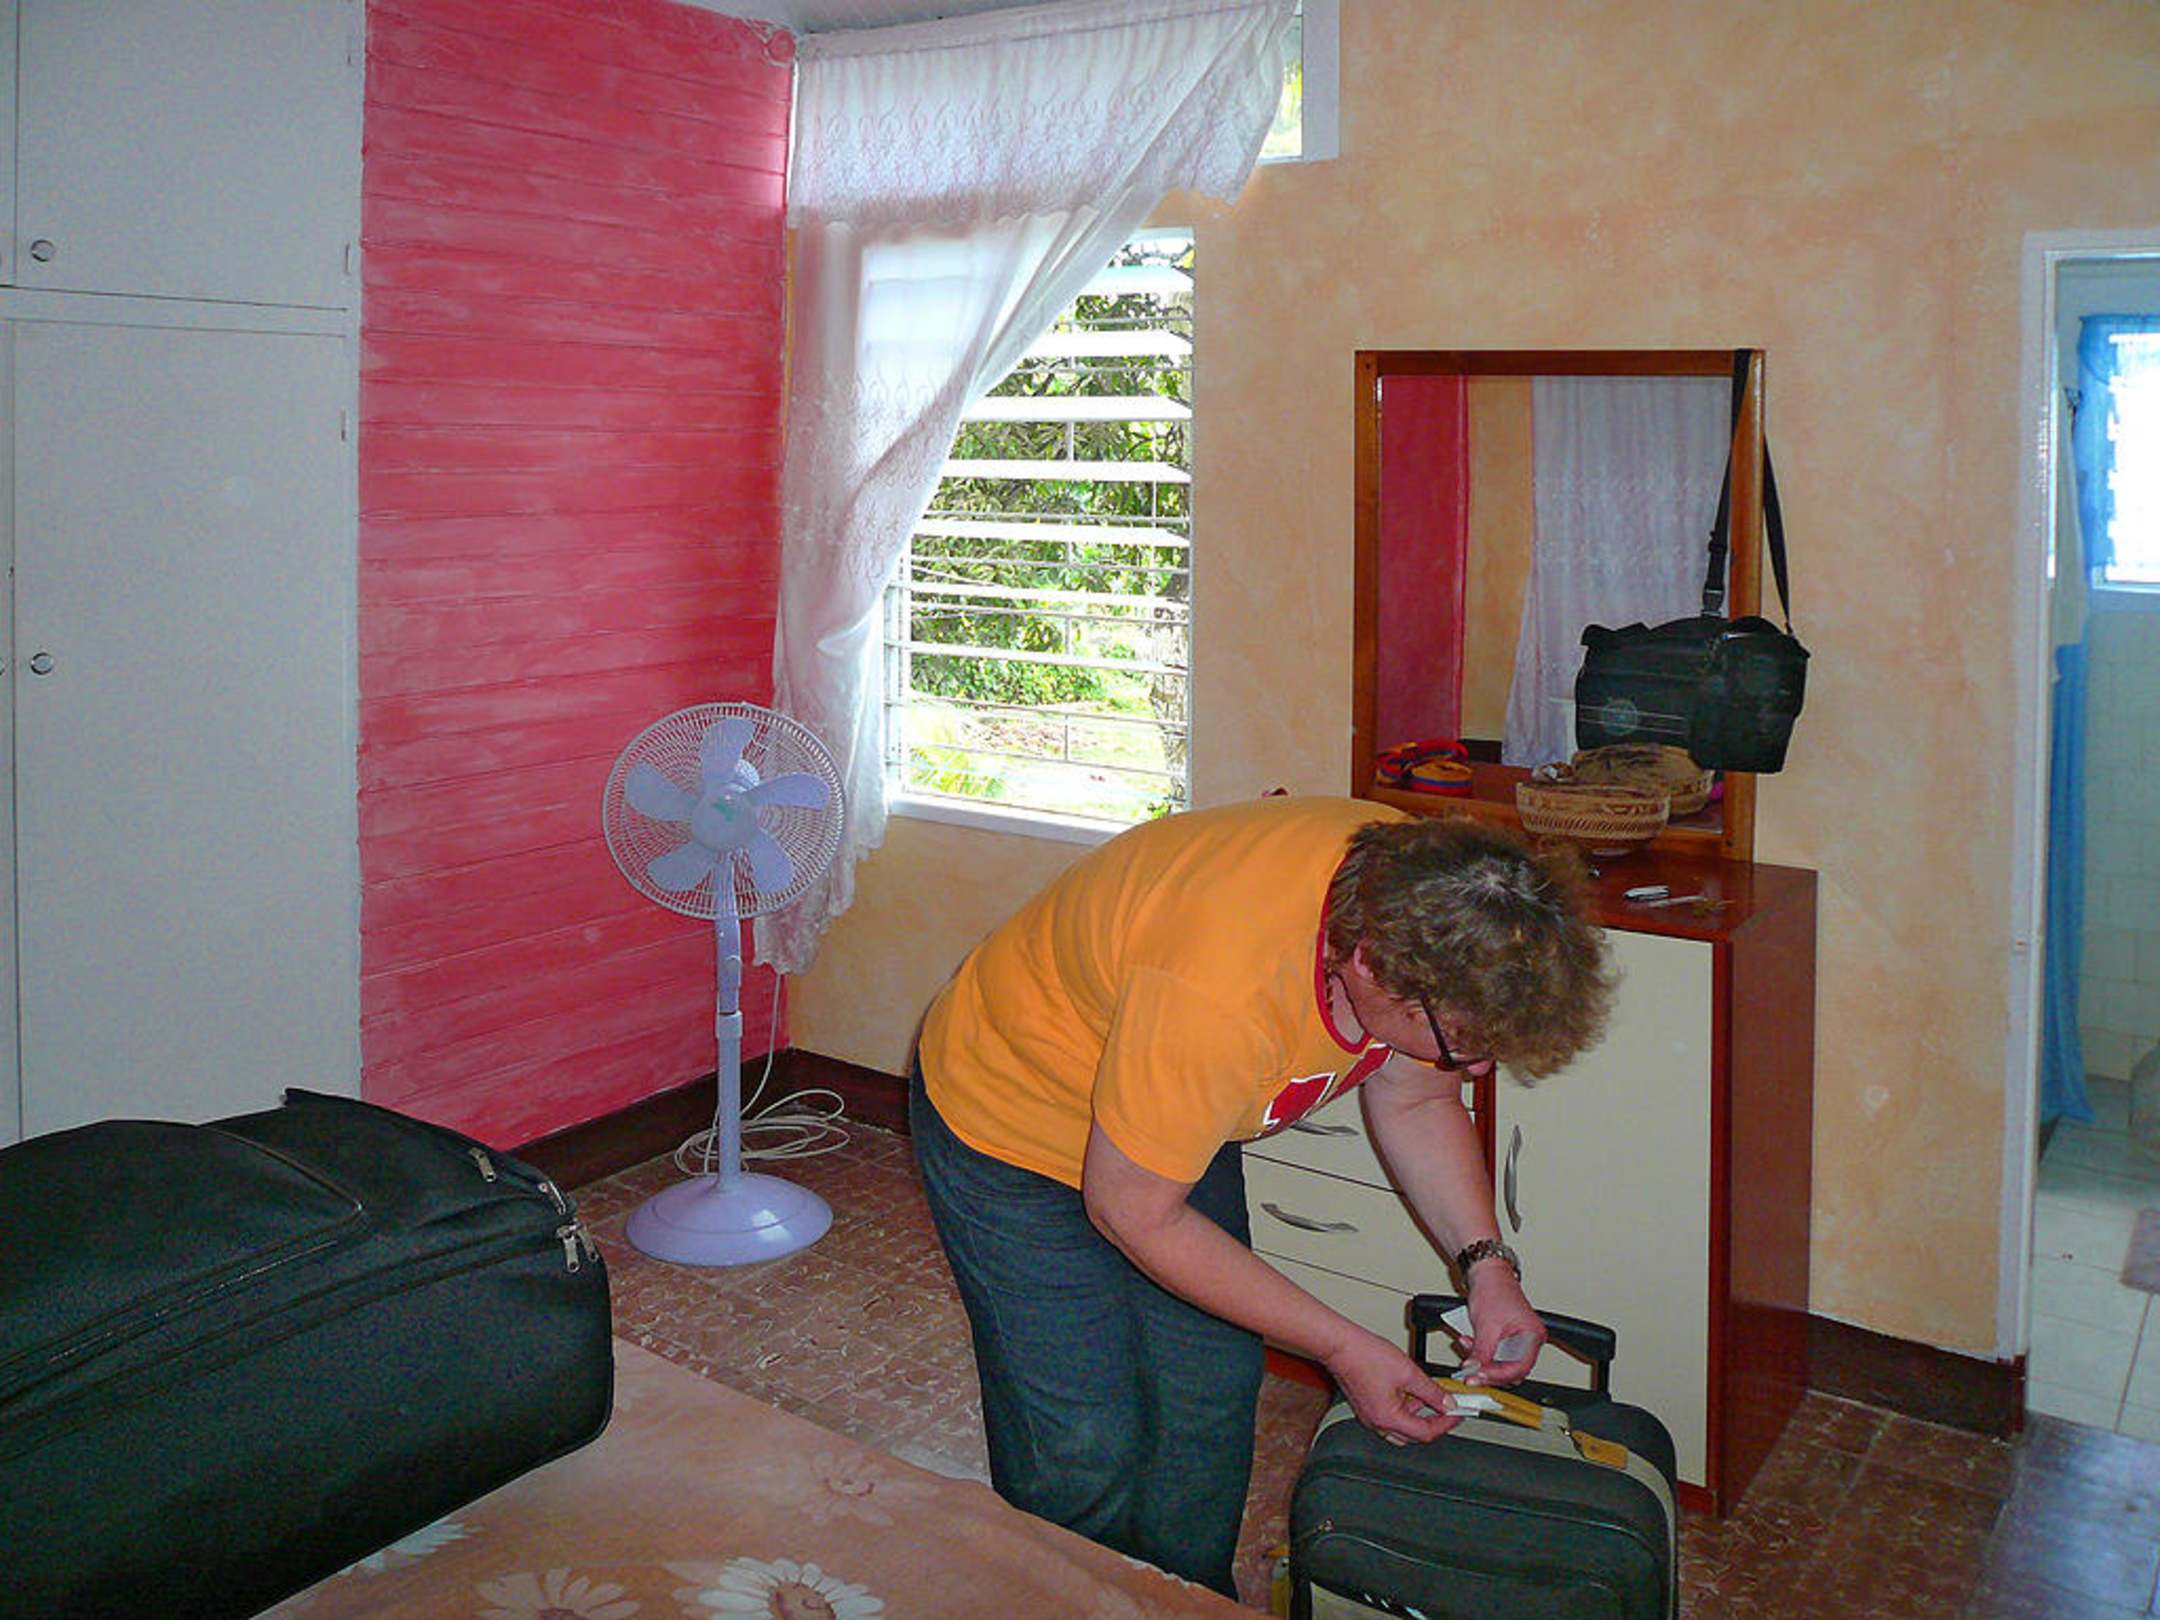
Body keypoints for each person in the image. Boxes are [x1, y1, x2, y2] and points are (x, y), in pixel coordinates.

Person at [908, 794, 1614, 1598]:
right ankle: (1071, 1601)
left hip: (1167, 1117)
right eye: (1463, 1043)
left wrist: (1488, 1268)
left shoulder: (1422, 899)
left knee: (1208, 1388)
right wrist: (1343, 1347)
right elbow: (1133, 1210)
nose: (1475, 1067)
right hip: (1010, 1125)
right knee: (1080, 1437)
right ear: (1369, 967)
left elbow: (1419, 1099)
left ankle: (1187, 1599)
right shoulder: (1222, 987)